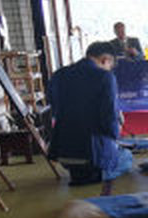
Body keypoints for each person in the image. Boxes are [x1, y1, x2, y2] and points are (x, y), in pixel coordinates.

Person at [47, 41, 133, 185]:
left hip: (63, 152)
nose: (109, 69)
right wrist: (116, 133)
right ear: (105, 60)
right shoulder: (105, 77)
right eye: (110, 66)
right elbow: (109, 118)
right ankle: (100, 174)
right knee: (127, 156)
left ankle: (82, 172)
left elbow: (54, 109)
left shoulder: (59, 75)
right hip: (92, 155)